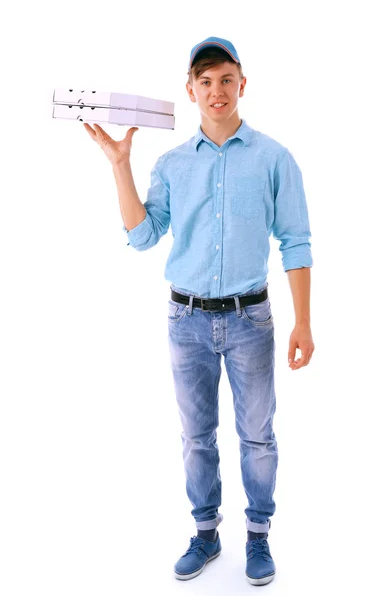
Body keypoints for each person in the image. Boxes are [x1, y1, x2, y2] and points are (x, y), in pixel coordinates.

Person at [83, 35, 315, 586]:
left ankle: (258, 536)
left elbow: (297, 242)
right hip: (185, 322)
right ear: (190, 90)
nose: (217, 91)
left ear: (242, 84)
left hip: (250, 320)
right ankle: (206, 533)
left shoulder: (274, 158)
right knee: (196, 437)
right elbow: (142, 237)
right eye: (205, 81)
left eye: (226, 79)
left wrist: (304, 320)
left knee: (258, 435)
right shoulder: (170, 164)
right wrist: (121, 165)